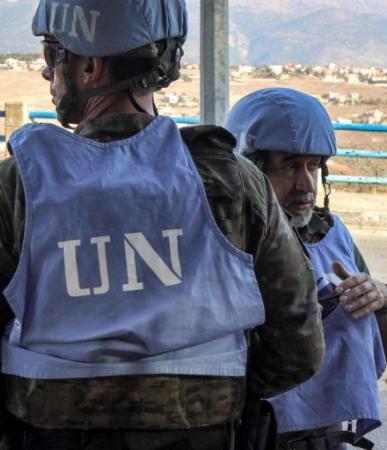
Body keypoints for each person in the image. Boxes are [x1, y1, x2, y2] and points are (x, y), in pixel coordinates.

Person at [0, 1, 324, 449]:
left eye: (54, 55)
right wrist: (210, 402)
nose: (45, 73)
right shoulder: (233, 179)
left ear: (90, 66)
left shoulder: (19, 184)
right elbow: (299, 345)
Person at [225, 88, 387, 450]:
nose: (306, 185)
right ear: (248, 169)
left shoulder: (331, 236)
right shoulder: (225, 242)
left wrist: (384, 299)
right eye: (288, 166)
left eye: (313, 166)